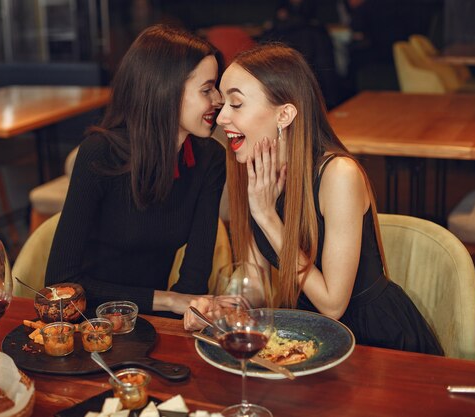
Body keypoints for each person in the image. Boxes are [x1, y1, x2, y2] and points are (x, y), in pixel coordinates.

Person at [184, 43, 443, 355]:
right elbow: (255, 285)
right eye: (223, 103)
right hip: (307, 337)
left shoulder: (339, 175)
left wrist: (267, 216)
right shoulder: (255, 170)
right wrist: (220, 308)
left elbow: (333, 304)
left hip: (376, 341)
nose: (222, 117)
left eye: (236, 104)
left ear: (285, 114)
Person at [45, 25, 226, 317]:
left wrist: (172, 310)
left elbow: (193, 283)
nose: (218, 99)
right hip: (91, 322)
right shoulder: (100, 154)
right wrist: (167, 300)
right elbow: (60, 283)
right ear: (164, 91)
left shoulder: (210, 159)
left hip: (153, 323)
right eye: (207, 89)